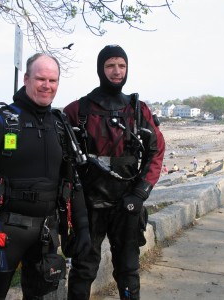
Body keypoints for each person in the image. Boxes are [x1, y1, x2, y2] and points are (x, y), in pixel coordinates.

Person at [0, 53, 91, 300]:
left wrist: (83, 227)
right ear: (26, 78)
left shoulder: (60, 126)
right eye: (41, 78)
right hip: (6, 231)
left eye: (53, 80)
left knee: (38, 296)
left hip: (46, 232)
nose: (47, 85)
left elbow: (72, 182)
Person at [63, 45, 165, 300]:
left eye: (121, 65)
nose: (117, 71)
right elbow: (61, 158)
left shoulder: (138, 110)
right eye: (110, 65)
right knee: (83, 269)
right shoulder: (78, 110)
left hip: (127, 204)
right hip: (88, 206)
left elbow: (157, 151)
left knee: (128, 269)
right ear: (100, 69)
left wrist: (140, 193)